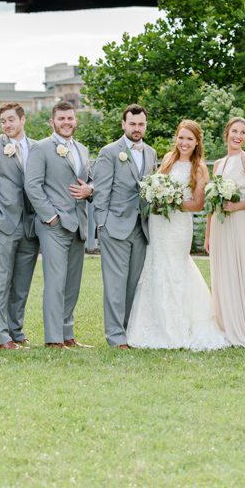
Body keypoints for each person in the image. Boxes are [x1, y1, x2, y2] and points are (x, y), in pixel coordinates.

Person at [126, 120, 228, 351]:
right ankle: (154, 324)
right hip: (159, 223)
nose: (184, 143)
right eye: (181, 138)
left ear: (196, 142)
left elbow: (198, 204)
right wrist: (157, 196)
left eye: (189, 139)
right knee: (156, 265)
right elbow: (155, 186)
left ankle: (178, 326)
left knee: (175, 268)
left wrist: (173, 200)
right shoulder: (167, 160)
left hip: (179, 225)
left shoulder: (199, 168)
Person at [25, 101, 94, 349]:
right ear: (52, 122)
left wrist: (91, 190)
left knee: (72, 283)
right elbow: (32, 185)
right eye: (62, 118)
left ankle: (68, 334)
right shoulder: (41, 148)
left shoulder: (83, 150)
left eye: (70, 118)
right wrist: (50, 216)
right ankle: (54, 339)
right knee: (55, 281)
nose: (67, 122)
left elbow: (91, 182)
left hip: (79, 224)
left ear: (76, 121)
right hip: (54, 225)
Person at [93, 104, 157, 349]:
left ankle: (130, 332)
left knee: (133, 284)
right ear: (123, 124)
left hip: (141, 228)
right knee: (115, 285)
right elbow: (100, 191)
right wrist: (103, 224)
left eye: (141, 124)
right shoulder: (110, 152)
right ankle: (115, 336)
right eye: (132, 124)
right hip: (115, 227)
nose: (137, 128)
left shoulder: (150, 153)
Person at [204, 117, 245, 347]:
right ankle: (227, 322)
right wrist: (208, 232)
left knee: (244, 269)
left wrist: (237, 206)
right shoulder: (219, 164)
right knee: (225, 271)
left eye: (242, 132)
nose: (238, 136)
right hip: (221, 226)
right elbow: (212, 200)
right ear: (226, 133)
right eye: (234, 131)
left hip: (241, 222)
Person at [0, 103, 39, 350]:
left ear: (22, 120)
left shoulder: (37, 147)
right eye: (3, 121)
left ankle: (16, 330)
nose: (7, 125)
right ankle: (0, 336)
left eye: (11, 119)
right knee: (1, 281)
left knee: (22, 283)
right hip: (5, 222)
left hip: (31, 225)